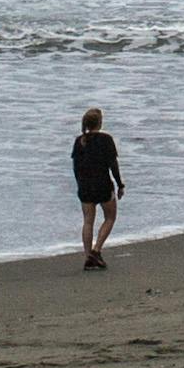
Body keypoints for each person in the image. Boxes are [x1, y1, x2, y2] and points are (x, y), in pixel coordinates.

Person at [70, 106, 124, 268]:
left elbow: (76, 166)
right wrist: (120, 184)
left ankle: (88, 257)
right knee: (110, 217)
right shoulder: (106, 139)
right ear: (99, 123)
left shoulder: (79, 141)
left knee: (88, 221)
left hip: (85, 185)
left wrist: (80, 184)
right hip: (102, 184)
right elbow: (113, 165)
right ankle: (96, 250)